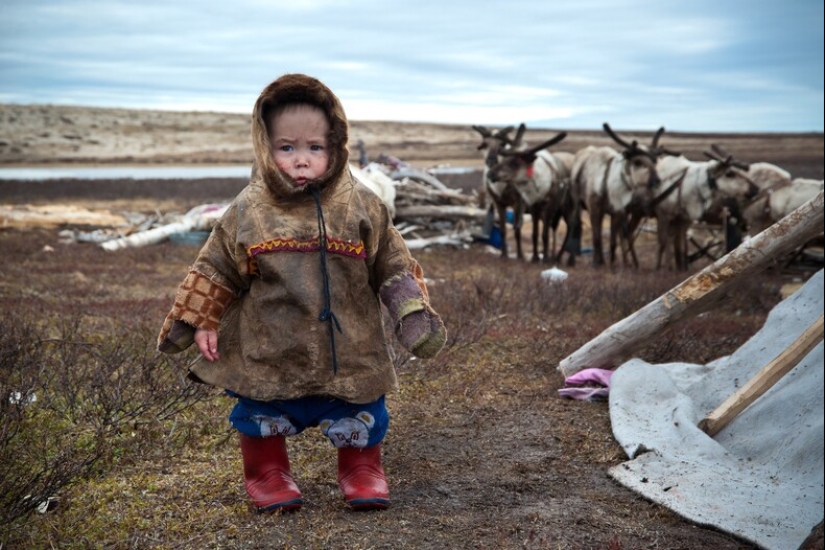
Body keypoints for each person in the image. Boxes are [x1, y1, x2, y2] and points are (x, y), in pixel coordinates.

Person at [157, 73, 447, 513]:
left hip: (350, 344)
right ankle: (267, 471)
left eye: (315, 147)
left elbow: (393, 264)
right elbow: (216, 266)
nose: (302, 160)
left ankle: (361, 467)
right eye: (286, 148)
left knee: (362, 406)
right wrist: (200, 319)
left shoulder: (362, 205)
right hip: (270, 345)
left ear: (337, 145)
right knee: (260, 410)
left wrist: (410, 312)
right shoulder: (249, 208)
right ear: (264, 147)